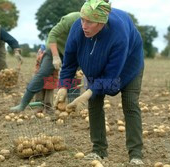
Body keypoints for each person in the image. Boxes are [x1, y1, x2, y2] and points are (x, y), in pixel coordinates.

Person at [54, 0, 144, 165]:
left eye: (89, 22)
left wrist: (85, 94)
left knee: (130, 103)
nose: (84, 25)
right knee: (94, 101)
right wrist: (63, 87)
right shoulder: (77, 29)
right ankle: (99, 151)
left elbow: (111, 77)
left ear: (102, 22)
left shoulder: (118, 34)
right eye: (82, 19)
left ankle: (136, 154)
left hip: (128, 64)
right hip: (95, 64)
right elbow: (69, 62)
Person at [10, 12, 81, 112]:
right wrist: (56, 56)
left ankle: (72, 108)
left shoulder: (98, 24)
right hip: (55, 50)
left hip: (75, 54)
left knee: (75, 77)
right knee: (43, 73)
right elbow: (52, 34)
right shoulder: (71, 19)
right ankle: (23, 104)